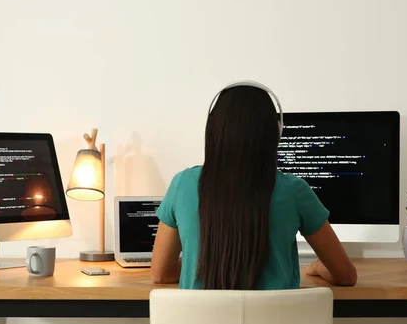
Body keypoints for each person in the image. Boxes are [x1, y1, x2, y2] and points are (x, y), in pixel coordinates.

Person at [151, 82, 357, 289]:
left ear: (212, 131)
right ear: (275, 133)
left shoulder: (182, 184)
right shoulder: (295, 191)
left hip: (203, 322)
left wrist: (197, 265)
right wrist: (318, 268)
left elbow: (161, 274)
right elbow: (345, 276)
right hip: (277, 322)